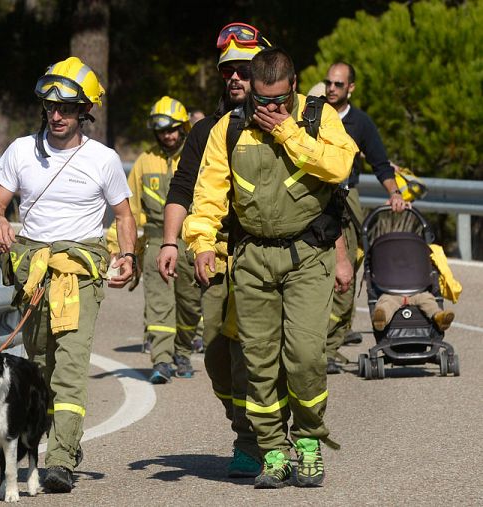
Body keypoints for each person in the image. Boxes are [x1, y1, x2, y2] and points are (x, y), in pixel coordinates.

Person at [184, 47, 357, 488]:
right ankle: (273, 450)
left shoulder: (317, 117)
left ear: (294, 86)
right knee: (258, 362)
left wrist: (287, 132)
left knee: (304, 356)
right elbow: (208, 193)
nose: (271, 109)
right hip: (252, 258)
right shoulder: (229, 128)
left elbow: (339, 166)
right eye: (262, 101)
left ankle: (308, 440)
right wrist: (202, 243)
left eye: (280, 100)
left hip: (307, 256)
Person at [0, 56, 136, 493]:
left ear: (83, 111)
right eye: (51, 107)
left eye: (66, 109)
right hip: (34, 273)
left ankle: (62, 458)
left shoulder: (103, 160)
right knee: (39, 368)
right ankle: (48, 440)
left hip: (79, 275)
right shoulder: (21, 151)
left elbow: (124, 215)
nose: (57, 116)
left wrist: (127, 254)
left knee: (69, 365)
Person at [159, 22, 273, 478]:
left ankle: (256, 441)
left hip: (265, 256)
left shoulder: (280, 126)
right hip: (214, 254)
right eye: (228, 72)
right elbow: (182, 188)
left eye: (244, 70)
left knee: (252, 353)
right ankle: (246, 425)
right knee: (217, 358)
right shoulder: (206, 130)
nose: (235, 78)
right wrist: (170, 242)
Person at [323, 61, 409, 374]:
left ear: (351, 88)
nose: (332, 89)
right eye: (328, 83)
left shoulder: (360, 123)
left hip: (345, 201)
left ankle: (328, 347)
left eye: (338, 84)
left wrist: (395, 193)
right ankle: (313, 345)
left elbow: (380, 164)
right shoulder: (314, 114)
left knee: (345, 272)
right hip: (312, 199)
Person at [109, 96, 199, 383]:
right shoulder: (144, 162)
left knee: (190, 305)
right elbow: (129, 210)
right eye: (162, 131)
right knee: (160, 304)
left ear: (184, 128)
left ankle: (182, 352)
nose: (168, 136)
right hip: (156, 242)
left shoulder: (197, 157)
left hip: (190, 242)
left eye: (173, 129)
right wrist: (117, 247)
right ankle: (161, 360)